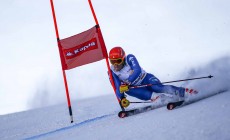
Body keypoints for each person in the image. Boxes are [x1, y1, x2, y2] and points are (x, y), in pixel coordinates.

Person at [108, 46, 198, 108]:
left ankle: (184, 92)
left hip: (146, 78)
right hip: (136, 88)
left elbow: (137, 70)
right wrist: (122, 98)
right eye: (112, 62)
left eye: (118, 61)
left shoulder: (129, 58)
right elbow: (117, 87)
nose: (115, 65)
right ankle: (163, 99)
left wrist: (128, 81)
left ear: (123, 59)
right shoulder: (112, 71)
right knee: (127, 90)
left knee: (157, 87)